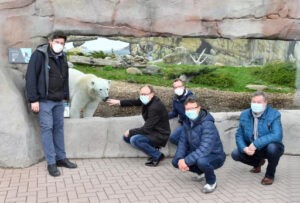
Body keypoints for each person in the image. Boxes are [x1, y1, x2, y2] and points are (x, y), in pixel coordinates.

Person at [25, 31, 77, 177]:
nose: (59, 45)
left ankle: (61, 158)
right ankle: (51, 162)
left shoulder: (63, 56)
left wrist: (65, 96)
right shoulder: (39, 55)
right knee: (47, 129)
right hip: (44, 101)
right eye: (57, 42)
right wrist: (33, 99)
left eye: (62, 43)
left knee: (59, 129)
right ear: (50, 41)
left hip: (59, 101)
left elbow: (64, 77)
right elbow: (31, 77)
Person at [172, 96, 226, 193]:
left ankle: (211, 182)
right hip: (199, 152)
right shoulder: (187, 122)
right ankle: (201, 173)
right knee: (176, 161)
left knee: (201, 161)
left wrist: (186, 161)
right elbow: (182, 142)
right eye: (187, 109)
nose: (190, 111)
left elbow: (205, 148)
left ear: (199, 108)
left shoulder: (208, 124)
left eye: (193, 108)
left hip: (215, 155)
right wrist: (180, 158)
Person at [107, 85, 171, 167]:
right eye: (141, 94)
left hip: (160, 134)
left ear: (152, 94)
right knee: (126, 138)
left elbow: (146, 129)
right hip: (152, 130)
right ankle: (154, 149)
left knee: (135, 139)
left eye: (145, 94)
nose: (142, 96)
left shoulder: (155, 107)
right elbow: (135, 102)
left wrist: (130, 131)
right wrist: (118, 102)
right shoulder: (148, 100)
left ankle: (157, 155)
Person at [231, 91, 284, 185]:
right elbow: (239, 134)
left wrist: (256, 144)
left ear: (265, 103)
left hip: (267, 147)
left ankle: (269, 175)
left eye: (259, 102)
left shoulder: (274, 114)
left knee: (273, 148)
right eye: (253, 102)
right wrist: (244, 148)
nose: (256, 104)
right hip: (252, 148)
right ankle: (258, 163)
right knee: (235, 154)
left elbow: (277, 135)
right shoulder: (244, 114)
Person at [168, 79, 194, 145]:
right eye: (175, 87)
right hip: (184, 124)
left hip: (192, 124)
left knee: (173, 138)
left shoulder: (191, 97)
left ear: (183, 87)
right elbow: (174, 113)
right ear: (173, 89)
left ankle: (192, 151)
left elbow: (194, 114)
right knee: (173, 139)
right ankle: (190, 151)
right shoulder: (175, 99)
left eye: (179, 86)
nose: (178, 88)